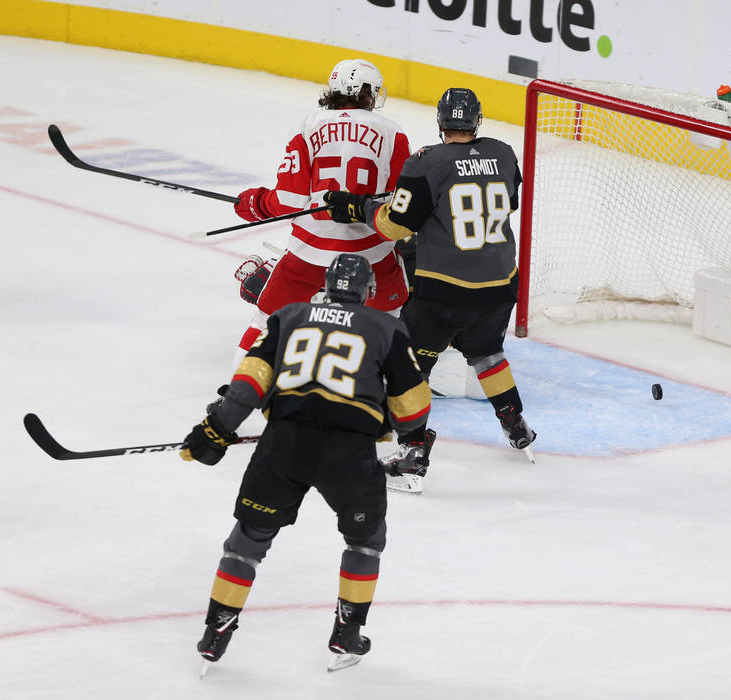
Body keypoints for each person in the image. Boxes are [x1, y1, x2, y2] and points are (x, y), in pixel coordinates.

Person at [181, 253, 431, 672]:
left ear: (326, 286)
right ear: (368, 292)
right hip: (349, 454)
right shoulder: (386, 327)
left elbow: (247, 384)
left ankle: (216, 632)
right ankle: (346, 635)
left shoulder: (288, 315)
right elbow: (413, 408)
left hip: (284, 444)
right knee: (365, 542)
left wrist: (216, 430)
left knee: (248, 541)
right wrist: (393, 428)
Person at [324, 87, 536, 494]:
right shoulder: (505, 152)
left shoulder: (426, 162)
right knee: (487, 353)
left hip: (444, 292)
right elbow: (502, 202)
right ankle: (515, 424)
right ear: (477, 121)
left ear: (440, 123)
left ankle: (413, 452)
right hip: (499, 285)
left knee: (412, 368)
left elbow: (394, 227)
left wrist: (359, 207)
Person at [229, 58, 412, 370]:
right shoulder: (393, 133)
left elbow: (288, 201)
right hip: (373, 256)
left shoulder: (308, 125)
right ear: (363, 91)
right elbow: (400, 207)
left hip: (309, 254)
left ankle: (234, 391)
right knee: (391, 317)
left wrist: (255, 202)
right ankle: (385, 385)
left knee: (264, 320)